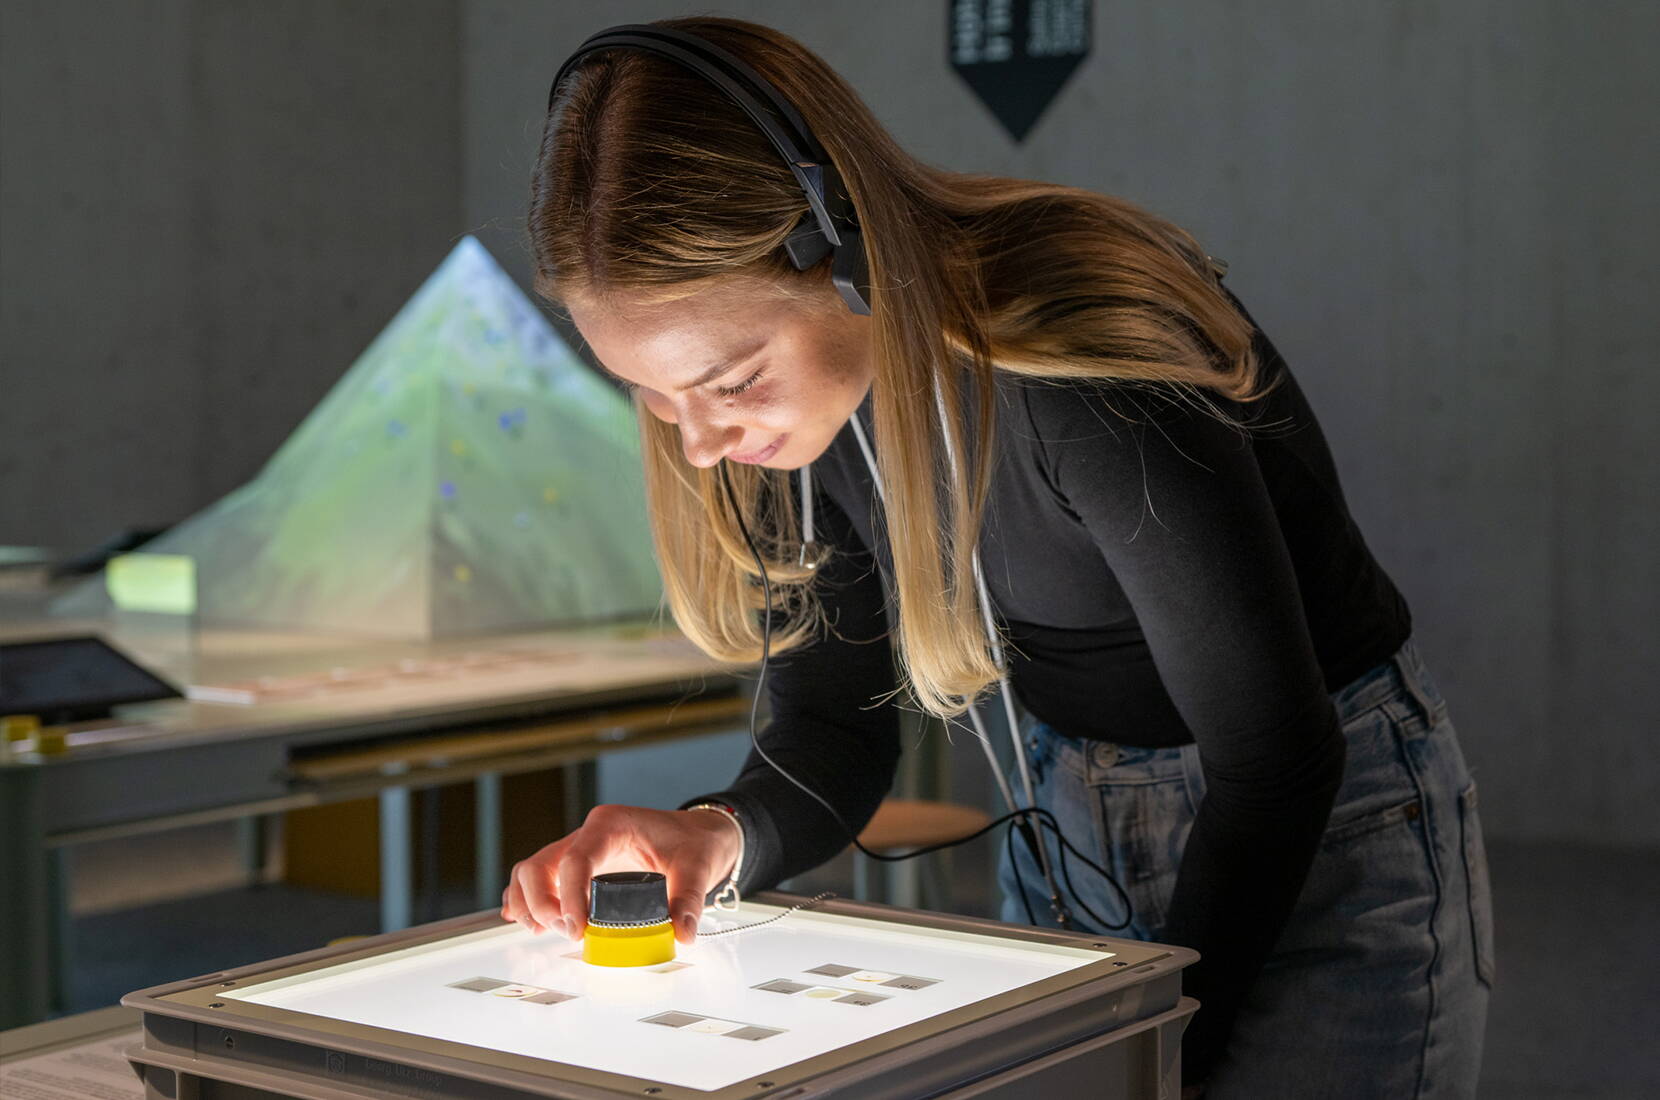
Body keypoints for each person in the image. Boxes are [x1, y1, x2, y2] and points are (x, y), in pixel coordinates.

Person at [498, 16, 1492, 1098]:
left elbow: (1276, 757)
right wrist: (711, 834)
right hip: (1073, 808)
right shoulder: (796, 430)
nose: (698, 440)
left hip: (1317, 819)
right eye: (651, 394)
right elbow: (834, 728)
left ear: (845, 250)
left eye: (728, 381)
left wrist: (1154, 1051)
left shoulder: (1082, 361)